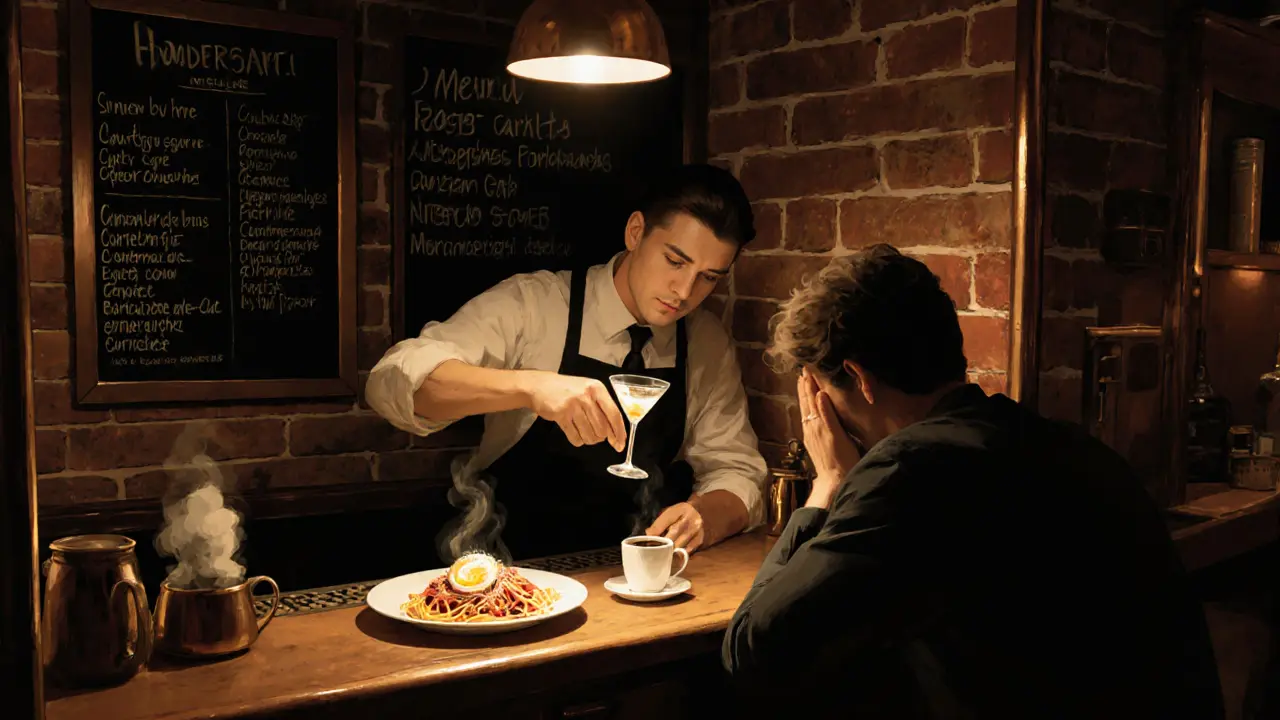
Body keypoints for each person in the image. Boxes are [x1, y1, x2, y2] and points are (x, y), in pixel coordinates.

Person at [721, 245, 1223, 719]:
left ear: (860, 378)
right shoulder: (1067, 446)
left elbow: (751, 649)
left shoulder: (909, 470)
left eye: (823, 394)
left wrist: (827, 482)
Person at [366, 164, 768, 563]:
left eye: (708, 277)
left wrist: (704, 517)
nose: (684, 291)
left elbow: (738, 471)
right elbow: (394, 381)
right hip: (510, 561)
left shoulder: (704, 342)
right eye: (674, 261)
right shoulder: (535, 305)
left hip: (635, 571)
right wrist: (530, 387)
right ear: (635, 232)